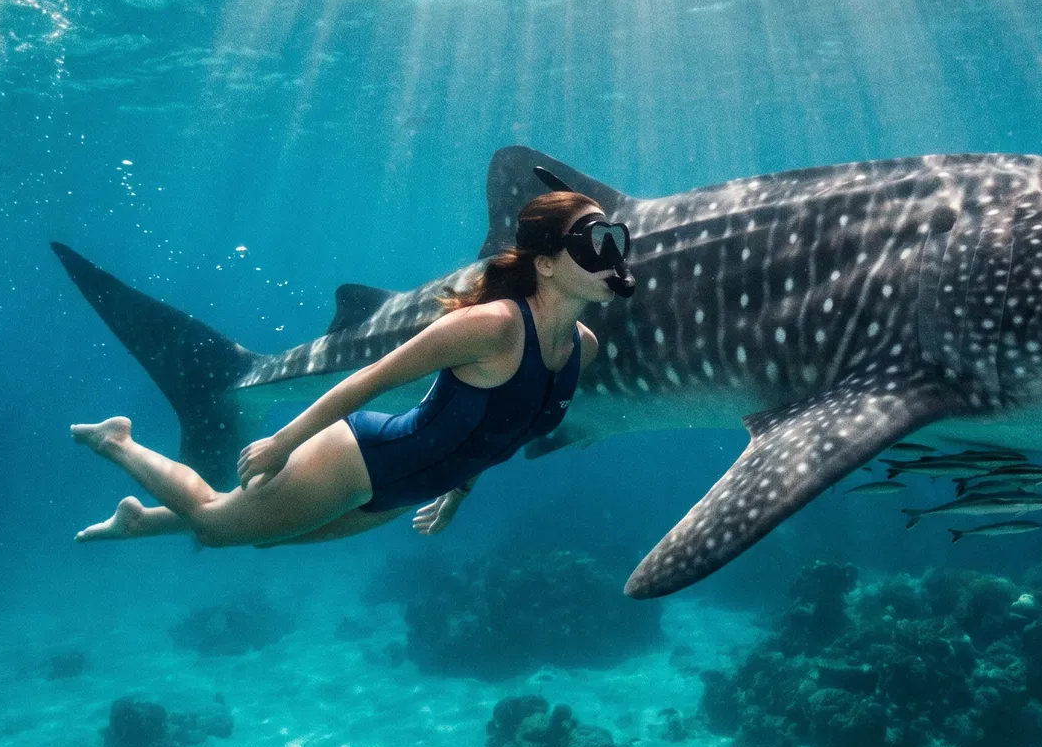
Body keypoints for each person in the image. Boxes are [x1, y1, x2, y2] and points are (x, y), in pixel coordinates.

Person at [68, 183, 629, 547]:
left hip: (407, 487)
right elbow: (372, 379)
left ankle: (142, 520)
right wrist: (283, 442)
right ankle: (116, 441)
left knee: (267, 532)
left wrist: (456, 493)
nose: (612, 257)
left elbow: (506, 429)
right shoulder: (492, 325)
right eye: (595, 241)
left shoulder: (583, 347)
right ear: (549, 263)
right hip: (360, 459)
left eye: (616, 239)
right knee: (217, 528)